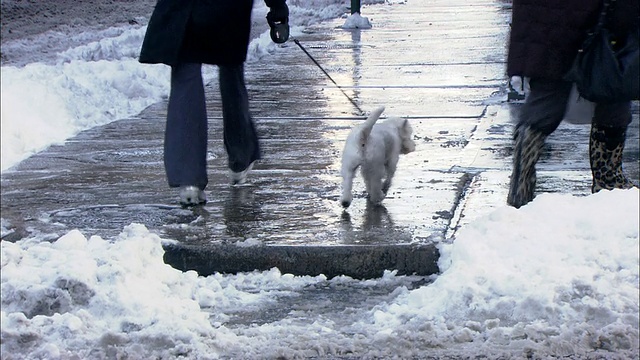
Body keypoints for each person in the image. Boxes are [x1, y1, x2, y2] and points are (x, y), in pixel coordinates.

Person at [139, 0, 289, 206]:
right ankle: (241, 157)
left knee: (186, 76)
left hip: (184, 8)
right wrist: (277, 8)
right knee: (231, 73)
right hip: (228, 9)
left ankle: (188, 179)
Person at [506, 0, 639, 208]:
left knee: (547, 98)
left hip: (544, 20)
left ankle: (520, 185)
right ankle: (609, 182)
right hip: (593, 18)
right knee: (612, 89)